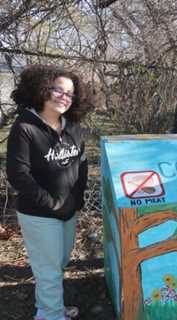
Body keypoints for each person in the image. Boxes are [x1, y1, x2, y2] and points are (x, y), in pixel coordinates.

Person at [6, 65, 95, 320]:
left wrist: (75, 200)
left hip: (67, 210)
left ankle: (50, 305)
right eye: (58, 90)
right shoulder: (25, 127)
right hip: (38, 213)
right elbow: (18, 174)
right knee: (48, 268)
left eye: (70, 93)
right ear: (43, 89)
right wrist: (51, 203)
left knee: (59, 262)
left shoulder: (73, 127)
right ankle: (50, 314)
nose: (64, 97)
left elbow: (83, 163)